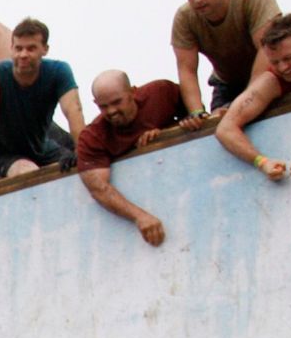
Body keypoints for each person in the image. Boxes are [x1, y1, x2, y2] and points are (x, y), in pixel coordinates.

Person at [78, 73, 202, 245]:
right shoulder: (92, 137)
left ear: (132, 92)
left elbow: (197, 115)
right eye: (103, 106)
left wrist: (171, 130)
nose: (112, 111)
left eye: (117, 102)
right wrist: (140, 217)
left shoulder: (161, 92)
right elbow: (98, 188)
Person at [0, 18, 85, 184]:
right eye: (18, 48)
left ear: (45, 50)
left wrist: (81, 153)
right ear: (11, 49)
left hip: (41, 147)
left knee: (82, 160)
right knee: (28, 172)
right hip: (5, 154)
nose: (23, 55)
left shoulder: (58, 71)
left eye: (31, 48)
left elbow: (73, 111)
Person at [173, 0, 281, 116]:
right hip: (227, 84)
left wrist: (245, 100)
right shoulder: (185, 17)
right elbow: (186, 69)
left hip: (271, 72)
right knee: (216, 126)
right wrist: (197, 112)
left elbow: (267, 49)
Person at [216, 13, 291, 181]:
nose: (283, 68)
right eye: (275, 62)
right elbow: (225, 129)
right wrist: (262, 162)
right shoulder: (272, 80)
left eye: (289, 58)